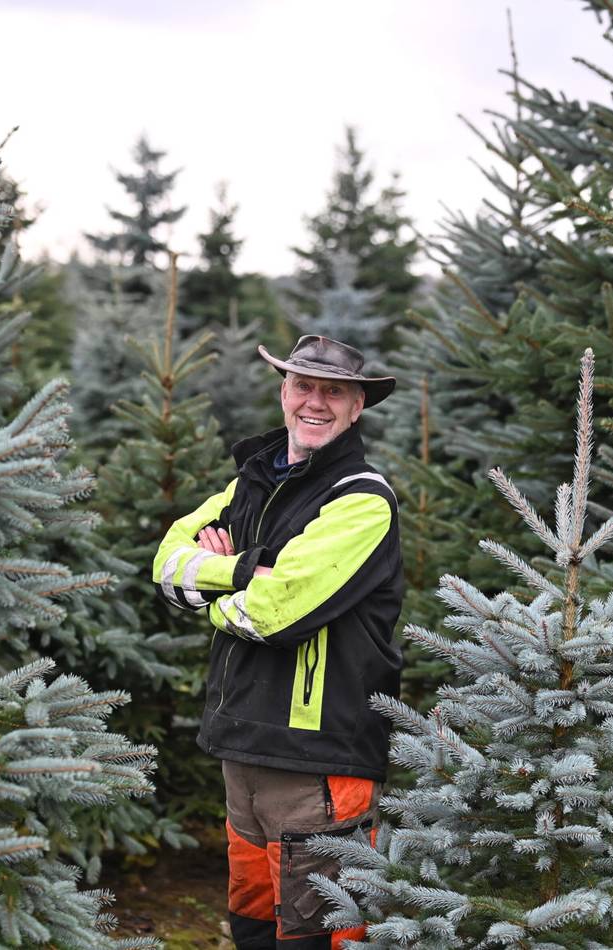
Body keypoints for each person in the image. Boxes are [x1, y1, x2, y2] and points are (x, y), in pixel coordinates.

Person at [153, 335, 404, 949]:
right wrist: (242, 572)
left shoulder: (361, 501)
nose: (314, 402)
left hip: (318, 753)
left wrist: (223, 592)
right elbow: (167, 566)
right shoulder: (249, 486)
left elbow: (277, 615)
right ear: (283, 393)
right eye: (302, 386)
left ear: (357, 407)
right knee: (253, 921)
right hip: (241, 741)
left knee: (322, 931)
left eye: (333, 392)